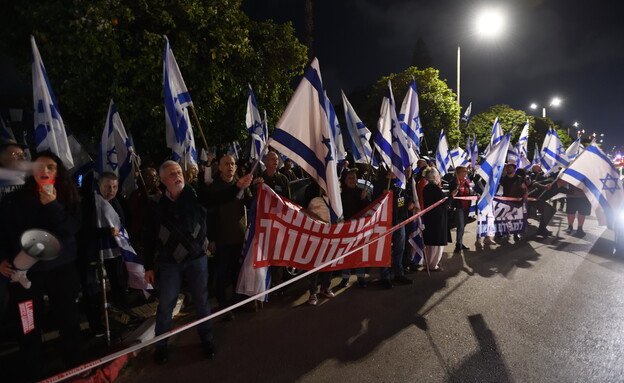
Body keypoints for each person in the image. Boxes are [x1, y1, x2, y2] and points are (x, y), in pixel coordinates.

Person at [0, 151, 83, 379]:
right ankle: (33, 372)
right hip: (25, 276)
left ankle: (74, 368)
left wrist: (53, 205)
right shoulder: (13, 200)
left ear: (58, 172)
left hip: (61, 271)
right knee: (27, 326)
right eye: (39, 167)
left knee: (69, 321)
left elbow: (71, 230)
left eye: (50, 167)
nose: (44, 171)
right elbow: (3, 232)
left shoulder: (68, 196)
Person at [79, 172, 130, 336]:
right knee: (93, 292)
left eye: (114, 186)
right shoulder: (88, 203)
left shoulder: (116, 201)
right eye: (107, 186)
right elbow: (83, 230)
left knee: (119, 285)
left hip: (114, 251)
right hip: (93, 253)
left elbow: (123, 221)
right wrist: (105, 232)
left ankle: (122, 318)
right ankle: (97, 326)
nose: (111, 190)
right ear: (99, 186)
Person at [205, 155, 251, 319]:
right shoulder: (213, 188)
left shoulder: (242, 185)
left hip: (239, 237)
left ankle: (238, 301)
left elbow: (250, 204)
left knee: (237, 272)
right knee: (221, 274)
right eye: (226, 164)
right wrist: (210, 238)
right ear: (220, 168)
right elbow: (208, 216)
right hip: (221, 239)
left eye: (232, 164)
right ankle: (223, 306)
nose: (230, 166)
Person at [373, 168, 413, 288]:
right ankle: (384, 276)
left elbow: (406, 195)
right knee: (384, 250)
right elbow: (373, 201)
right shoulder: (379, 183)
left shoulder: (401, 181)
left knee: (399, 249)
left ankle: (398, 274)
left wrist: (410, 201)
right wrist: (381, 194)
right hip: (385, 222)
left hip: (400, 220)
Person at [305, 182, 336, 305]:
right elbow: (308, 218)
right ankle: (312, 293)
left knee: (329, 264)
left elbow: (341, 218)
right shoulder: (315, 201)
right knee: (315, 266)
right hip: (318, 238)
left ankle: (325, 288)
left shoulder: (337, 203)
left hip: (332, 238)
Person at [338, 168, 369, 288]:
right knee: (345, 254)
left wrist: (364, 199)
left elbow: (368, 210)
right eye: (350, 178)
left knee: (359, 253)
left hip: (359, 228)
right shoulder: (340, 195)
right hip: (345, 228)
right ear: (344, 180)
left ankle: (361, 277)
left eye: (354, 178)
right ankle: (345, 278)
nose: (352, 180)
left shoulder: (361, 192)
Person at [422, 167, 457, 271]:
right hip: (437, 219)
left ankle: (428, 263)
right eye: (438, 176)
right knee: (436, 245)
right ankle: (433, 264)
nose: (440, 178)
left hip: (431, 218)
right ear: (433, 177)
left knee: (430, 244)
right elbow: (443, 204)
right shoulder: (434, 188)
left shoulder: (427, 187)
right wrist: (451, 196)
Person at [448, 166, 472, 253]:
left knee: (463, 225)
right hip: (459, 206)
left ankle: (460, 242)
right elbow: (452, 193)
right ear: (458, 173)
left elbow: (469, 192)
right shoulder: (454, 182)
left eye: (466, 171)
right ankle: (458, 244)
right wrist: (457, 186)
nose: (465, 173)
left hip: (466, 206)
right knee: (460, 225)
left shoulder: (466, 182)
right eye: (463, 171)